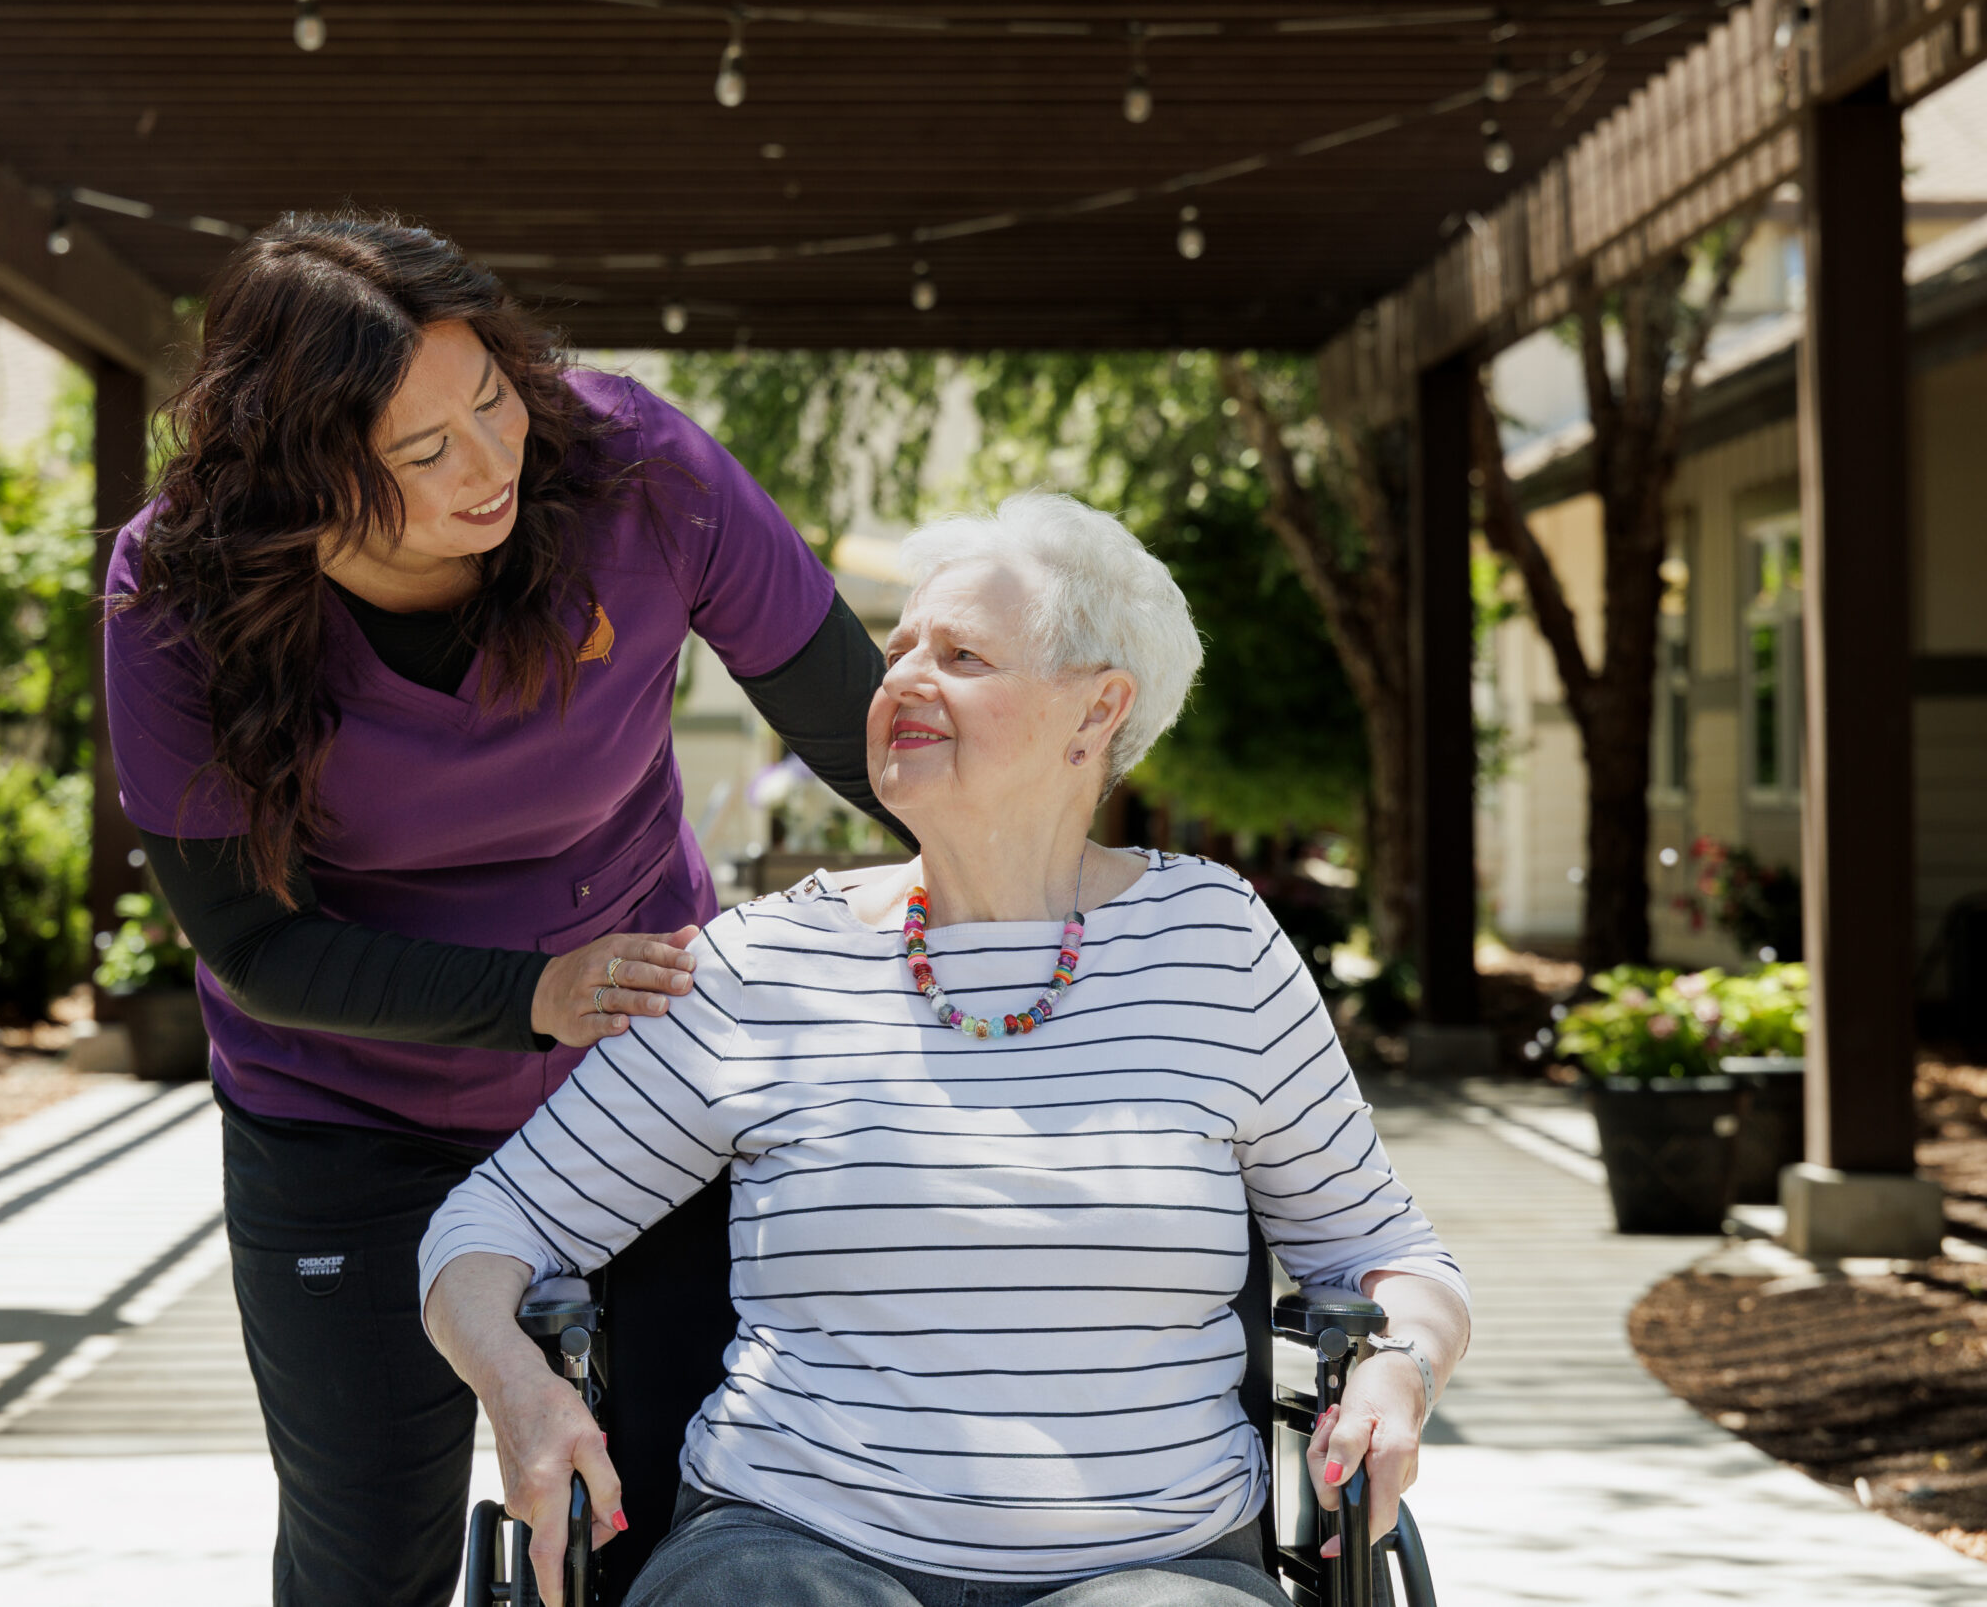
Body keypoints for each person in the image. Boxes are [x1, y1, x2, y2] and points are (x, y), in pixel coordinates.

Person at [421, 491, 1472, 1607]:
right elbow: (489, 1229)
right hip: (796, 1546)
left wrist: (1400, 1366)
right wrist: (521, 1393)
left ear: (1095, 712)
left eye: (962, 654)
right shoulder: (764, 963)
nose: (902, 681)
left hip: (1151, 1563)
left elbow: (1391, 1255)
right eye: (896, 651)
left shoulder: (1213, 945)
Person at [103, 212, 907, 1607]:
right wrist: (522, 994)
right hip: (342, 1108)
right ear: (302, 479)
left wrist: (1065, 894)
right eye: (426, 453)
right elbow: (247, 943)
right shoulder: (176, 587)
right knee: (368, 1563)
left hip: (642, 1076)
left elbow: (864, 735)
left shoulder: (634, 469)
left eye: (493, 406)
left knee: (673, 1521)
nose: (491, 467)